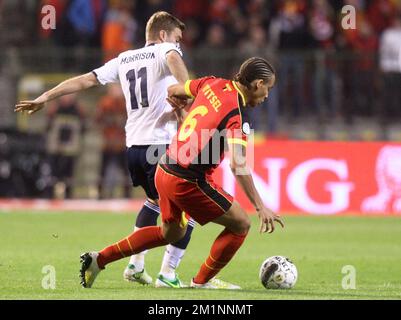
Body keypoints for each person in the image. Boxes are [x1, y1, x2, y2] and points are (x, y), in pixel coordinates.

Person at [15, 11, 196, 288]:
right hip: (159, 147)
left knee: (153, 202)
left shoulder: (125, 58)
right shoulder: (166, 50)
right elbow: (173, 58)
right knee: (190, 208)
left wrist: (46, 96)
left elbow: (85, 80)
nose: (179, 45)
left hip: (134, 148)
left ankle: (136, 266)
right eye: (177, 38)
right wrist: (188, 90)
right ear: (163, 35)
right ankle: (168, 274)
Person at [78, 57, 284, 289]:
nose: (267, 95)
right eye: (268, 88)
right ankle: (201, 282)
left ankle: (99, 259)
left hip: (164, 169)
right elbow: (239, 164)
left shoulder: (211, 83)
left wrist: (182, 114)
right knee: (241, 224)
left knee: (171, 233)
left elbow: (174, 90)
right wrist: (259, 206)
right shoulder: (238, 116)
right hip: (188, 180)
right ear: (257, 84)